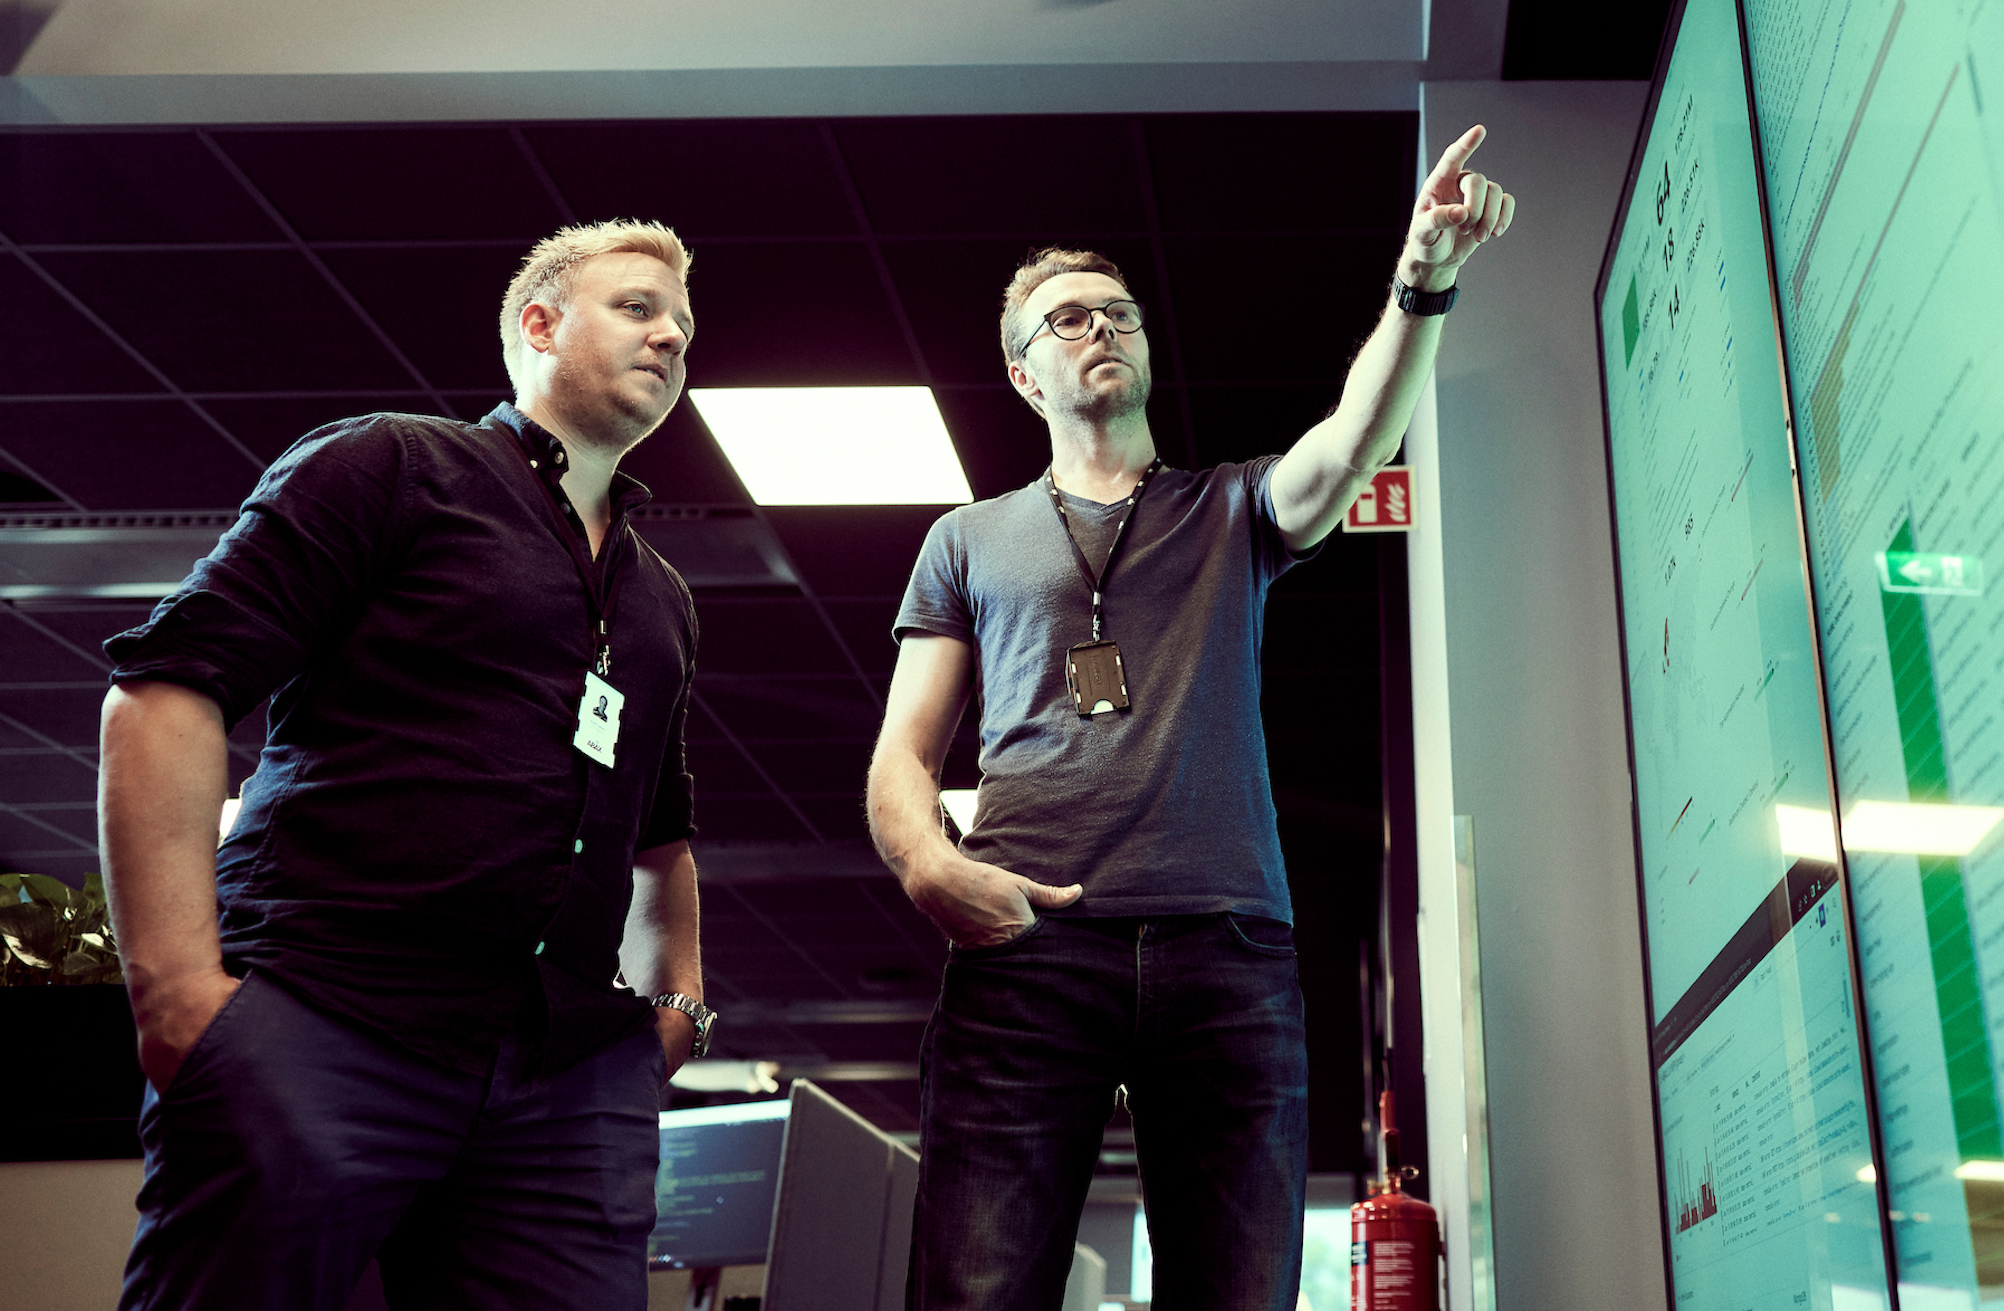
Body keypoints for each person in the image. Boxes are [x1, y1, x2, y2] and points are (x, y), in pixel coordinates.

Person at [866, 126, 1516, 1310]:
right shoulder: (965, 539)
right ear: (1022, 373)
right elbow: (904, 753)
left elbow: (1354, 438)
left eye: (1119, 312)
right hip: (1028, 945)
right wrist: (927, 865)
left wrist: (1424, 275)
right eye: (1067, 319)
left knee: (1237, 1291)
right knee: (976, 1288)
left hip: (1227, 949)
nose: (1101, 327)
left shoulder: (1232, 508)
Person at [97, 219, 716, 1311]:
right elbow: (165, 693)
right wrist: (178, 994)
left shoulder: (656, 592)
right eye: (635, 307)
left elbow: (657, 831)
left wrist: (675, 1004)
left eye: (682, 321)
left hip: (562, 1076)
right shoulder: (391, 465)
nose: (669, 334)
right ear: (539, 324)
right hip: (330, 1016)